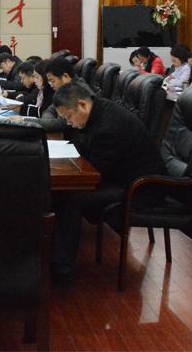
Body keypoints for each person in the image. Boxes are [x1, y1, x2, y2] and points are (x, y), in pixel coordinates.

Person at [49, 82, 167, 281]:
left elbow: (96, 173)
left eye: (69, 117)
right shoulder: (96, 112)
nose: (68, 123)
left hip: (140, 188)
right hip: (121, 177)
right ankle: (55, 253)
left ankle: (62, 268)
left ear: (82, 105)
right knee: (64, 192)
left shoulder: (108, 125)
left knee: (71, 197)